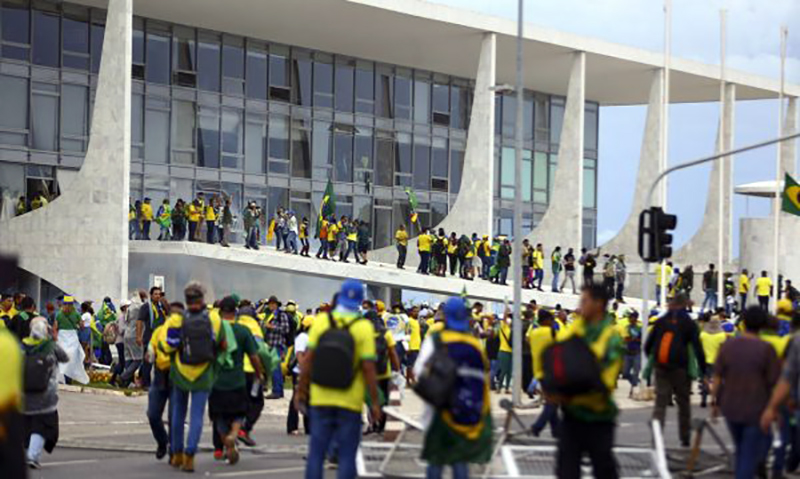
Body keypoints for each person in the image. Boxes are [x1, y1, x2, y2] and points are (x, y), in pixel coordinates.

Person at [296, 279, 381, 479]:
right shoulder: (364, 328)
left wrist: (300, 390)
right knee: (347, 456)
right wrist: (375, 401)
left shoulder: (322, 322)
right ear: (361, 301)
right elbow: (368, 367)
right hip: (350, 401)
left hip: (320, 397)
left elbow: (307, 361)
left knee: (316, 453)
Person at [414, 297, 493, 479]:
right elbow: (483, 379)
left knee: (436, 459)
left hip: (439, 409)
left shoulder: (436, 340)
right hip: (466, 410)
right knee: (460, 460)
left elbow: (419, 371)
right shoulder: (474, 345)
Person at [552, 284, 623, 479]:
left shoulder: (611, 338)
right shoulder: (573, 330)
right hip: (571, 415)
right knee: (566, 471)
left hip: (599, 417)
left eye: (584, 301)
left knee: (604, 470)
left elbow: (607, 380)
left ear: (598, 304)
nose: (579, 306)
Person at [161, 282, 226, 473]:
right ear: (202, 299)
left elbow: (168, 347)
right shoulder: (214, 319)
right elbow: (223, 345)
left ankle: (176, 453)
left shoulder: (176, 320)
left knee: (178, 413)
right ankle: (190, 456)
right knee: (197, 415)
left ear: (186, 300)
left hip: (180, 373)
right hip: (204, 373)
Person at [710, 307, 779, 479]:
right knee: (749, 453)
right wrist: (773, 409)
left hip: (730, 407)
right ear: (762, 325)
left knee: (742, 450)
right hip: (755, 409)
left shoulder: (728, 345)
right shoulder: (766, 349)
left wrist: (714, 402)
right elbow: (774, 383)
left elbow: (717, 376)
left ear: (744, 323)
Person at [644, 293, 706, 447]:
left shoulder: (661, 321)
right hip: (681, 369)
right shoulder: (689, 323)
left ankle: (656, 439)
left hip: (661, 368)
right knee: (683, 404)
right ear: (685, 305)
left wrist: (655, 362)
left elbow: (648, 346)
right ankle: (684, 438)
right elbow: (697, 347)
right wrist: (702, 371)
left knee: (660, 404)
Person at [210, 297, 264, 465]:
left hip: (217, 382)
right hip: (238, 381)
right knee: (239, 413)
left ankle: (225, 440)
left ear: (220, 312)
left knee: (218, 416)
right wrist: (259, 373)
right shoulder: (243, 331)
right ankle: (233, 435)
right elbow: (254, 356)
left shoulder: (214, 331)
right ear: (236, 312)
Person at [22, 318, 69, 469]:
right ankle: (32, 456)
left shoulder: (22, 346)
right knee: (42, 426)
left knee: (27, 424)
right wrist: (54, 339)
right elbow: (65, 357)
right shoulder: (51, 346)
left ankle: (24, 452)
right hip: (46, 395)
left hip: (24, 392)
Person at [146, 306, 173, 461]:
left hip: (177, 377)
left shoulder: (184, 332)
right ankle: (162, 442)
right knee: (153, 414)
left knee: (174, 416)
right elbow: (150, 352)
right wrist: (150, 354)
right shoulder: (159, 332)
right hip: (160, 376)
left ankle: (174, 449)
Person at [529, 309, 560, 437]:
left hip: (538, 371)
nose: (553, 322)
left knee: (551, 400)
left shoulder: (533, 333)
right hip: (552, 372)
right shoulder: (552, 332)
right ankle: (537, 427)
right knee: (552, 403)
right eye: (551, 320)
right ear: (546, 320)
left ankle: (556, 431)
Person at [53, 297, 90, 384]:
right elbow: (82, 326)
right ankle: (68, 378)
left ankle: (62, 376)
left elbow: (55, 327)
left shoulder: (59, 314)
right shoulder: (76, 314)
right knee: (72, 358)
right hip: (72, 337)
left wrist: (54, 337)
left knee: (62, 357)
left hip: (62, 337)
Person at [137, 286, 168, 389]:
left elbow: (170, 314)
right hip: (149, 338)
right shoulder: (146, 307)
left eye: (159, 294)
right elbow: (140, 321)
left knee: (159, 363)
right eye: (155, 294)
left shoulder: (162, 307)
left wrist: (166, 304)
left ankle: (157, 383)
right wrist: (138, 336)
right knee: (148, 363)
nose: (158, 296)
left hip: (161, 339)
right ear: (151, 295)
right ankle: (146, 384)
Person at [288, 315, 313, 436]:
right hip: (300, 372)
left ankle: (309, 427)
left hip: (309, 372)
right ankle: (292, 426)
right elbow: (299, 355)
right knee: (296, 399)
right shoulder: (303, 337)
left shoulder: (311, 337)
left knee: (309, 399)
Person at [263, 296, 292, 400]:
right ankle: (279, 391)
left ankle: (276, 391)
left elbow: (286, 329)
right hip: (271, 344)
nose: (270, 305)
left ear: (276, 304)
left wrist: (272, 327)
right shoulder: (270, 315)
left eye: (272, 304)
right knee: (277, 368)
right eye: (269, 304)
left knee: (275, 368)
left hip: (278, 345)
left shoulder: (282, 315)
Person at [699, 314, 727, 408]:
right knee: (718, 380)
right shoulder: (722, 335)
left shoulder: (703, 334)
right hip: (718, 361)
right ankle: (716, 399)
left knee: (705, 379)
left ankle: (703, 399)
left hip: (705, 360)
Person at [621, 311, 642, 398]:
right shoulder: (626, 327)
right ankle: (636, 382)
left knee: (636, 372)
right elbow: (625, 339)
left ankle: (633, 389)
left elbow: (642, 339)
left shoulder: (640, 328)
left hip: (637, 353)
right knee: (625, 373)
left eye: (632, 317)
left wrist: (635, 339)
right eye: (629, 318)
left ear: (636, 318)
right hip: (627, 353)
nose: (630, 319)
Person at [496, 312, 513, 394]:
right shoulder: (503, 327)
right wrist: (506, 310)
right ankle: (499, 388)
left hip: (511, 352)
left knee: (509, 372)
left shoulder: (512, 330)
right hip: (503, 351)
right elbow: (504, 318)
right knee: (504, 370)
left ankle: (507, 388)